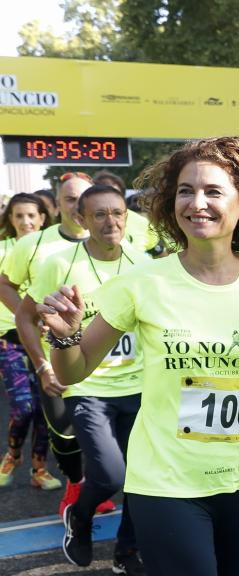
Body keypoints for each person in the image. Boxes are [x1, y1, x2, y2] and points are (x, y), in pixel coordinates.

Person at [39, 137, 239, 576]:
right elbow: (75, 369)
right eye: (185, 190)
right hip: (165, 480)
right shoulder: (141, 283)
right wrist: (64, 339)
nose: (196, 203)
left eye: (213, 192)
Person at [18, 184, 147, 572]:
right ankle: (81, 516)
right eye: (100, 214)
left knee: (143, 480)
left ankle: (126, 552)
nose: (111, 221)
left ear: (127, 216)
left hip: (140, 386)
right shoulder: (58, 264)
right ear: (81, 219)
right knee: (110, 475)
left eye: (117, 213)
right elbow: (27, 315)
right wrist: (43, 365)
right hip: (86, 385)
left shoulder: (144, 263)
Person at [2, 174, 103, 511]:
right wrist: (31, 317)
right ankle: (76, 483)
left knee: (108, 428)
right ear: (57, 205)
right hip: (53, 352)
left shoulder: (111, 240)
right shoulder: (32, 245)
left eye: (83, 198)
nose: (77, 206)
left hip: (106, 355)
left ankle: (97, 486)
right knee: (63, 426)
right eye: (70, 199)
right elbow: (5, 284)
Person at [0, 194, 53, 489]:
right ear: (10, 220)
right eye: (19, 216)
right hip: (9, 340)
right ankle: (13, 454)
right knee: (24, 407)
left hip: (46, 340)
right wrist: (27, 316)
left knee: (46, 410)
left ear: (43, 218)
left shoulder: (53, 251)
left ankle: (39, 469)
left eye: (31, 215)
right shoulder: (3, 249)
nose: (26, 222)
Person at [92, 170, 163, 257]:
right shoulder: (84, 222)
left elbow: (158, 252)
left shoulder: (141, 222)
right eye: (104, 197)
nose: (111, 201)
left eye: (116, 195)